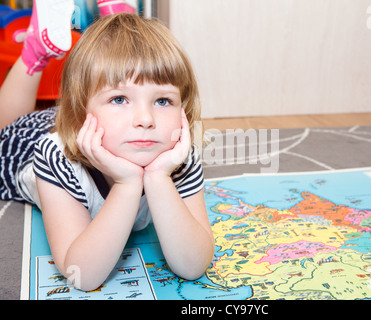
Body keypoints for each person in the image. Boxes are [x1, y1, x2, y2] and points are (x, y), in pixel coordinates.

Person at [0, 0, 214, 292]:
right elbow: (81, 275)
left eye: (162, 101)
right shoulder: (55, 157)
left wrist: (158, 177)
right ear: (80, 113)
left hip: (101, 127)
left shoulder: (178, 155)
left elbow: (192, 265)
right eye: (119, 99)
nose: (146, 119)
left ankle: (116, 34)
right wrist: (127, 184)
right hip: (25, 142)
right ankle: (36, 50)